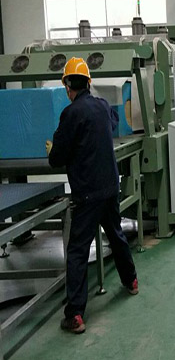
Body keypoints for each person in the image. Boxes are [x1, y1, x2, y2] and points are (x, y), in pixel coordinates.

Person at [47, 57, 138, 334]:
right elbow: (113, 121)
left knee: (77, 250)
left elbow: (57, 158)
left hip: (87, 193)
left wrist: (53, 148)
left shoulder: (70, 114)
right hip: (110, 187)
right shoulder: (102, 106)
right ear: (89, 82)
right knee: (116, 234)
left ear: (67, 86)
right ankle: (131, 280)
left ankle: (75, 314)